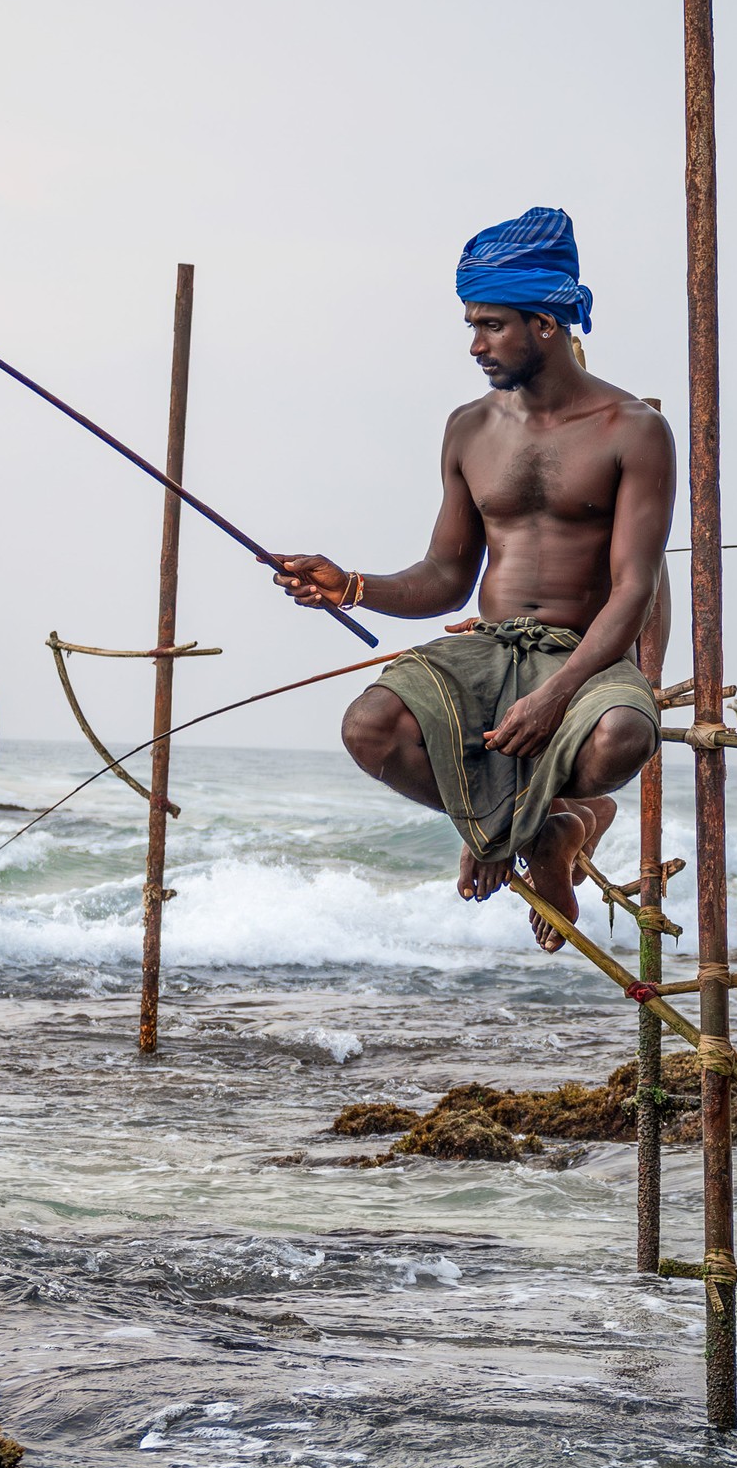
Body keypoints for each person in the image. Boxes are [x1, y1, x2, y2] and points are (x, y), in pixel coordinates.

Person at [271, 206, 675, 951]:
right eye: (471, 324)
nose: (475, 344)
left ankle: (530, 825)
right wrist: (351, 584)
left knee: (621, 737)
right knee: (369, 726)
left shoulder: (633, 430)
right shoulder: (468, 428)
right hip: (486, 647)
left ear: (545, 325)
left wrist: (556, 698)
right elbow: (445, 576)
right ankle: (528, 829)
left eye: (490, 325)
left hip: (585, 654)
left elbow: (634, 590)